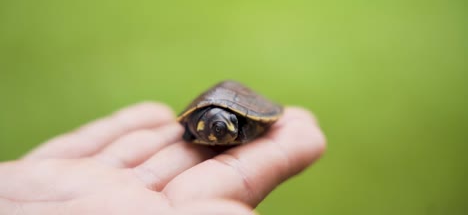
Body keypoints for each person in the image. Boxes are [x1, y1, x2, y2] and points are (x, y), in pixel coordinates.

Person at [0, 102, 326, 214]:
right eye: (215, 129)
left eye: (227, 129)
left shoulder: (242, 125)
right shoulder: (194, 124)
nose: (221, 133)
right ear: (197, 123)